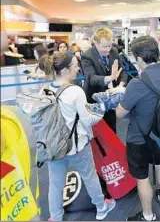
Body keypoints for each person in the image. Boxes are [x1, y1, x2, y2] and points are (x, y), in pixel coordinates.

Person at [41, 52, 116, 221]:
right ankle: (101, 208)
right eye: (75, 65)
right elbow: (87, 120)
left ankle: (56, 217)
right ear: (66, 70)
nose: (78, 68)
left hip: (53, 146)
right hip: (77, 145)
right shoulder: (75, 91)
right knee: (90, 177)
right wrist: (102, 109)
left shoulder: (44, 90)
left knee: (56, 183)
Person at [114, 36, 160, 221]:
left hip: (139, 138)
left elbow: (119, 113)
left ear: (140, 58)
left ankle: (148, 215)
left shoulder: (137, 84)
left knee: (142, 178)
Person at [81, 27, 128, 132]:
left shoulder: (114, 51)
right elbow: (91, 78)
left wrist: (120, 86)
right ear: (95, 43)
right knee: (98, 132)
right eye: (104, 46)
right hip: (94, 99)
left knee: (112, 129)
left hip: (111, 98)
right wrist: (110, 78)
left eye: (109, 46)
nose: (107, 49)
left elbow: (122, 72)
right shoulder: (87, 56)